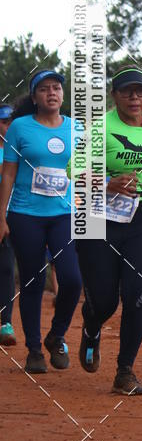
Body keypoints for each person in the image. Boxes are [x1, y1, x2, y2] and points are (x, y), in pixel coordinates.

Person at [75, 67, 142, 396]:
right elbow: (74, 171)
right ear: (115, 96)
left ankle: (125, 371)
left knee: (138, 294)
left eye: (141, 91)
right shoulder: (100, 128)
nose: (134, 97)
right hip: (99, 217)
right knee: (106, 301)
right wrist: (108, 183)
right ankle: (92, 327)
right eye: (127, 92)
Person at [0, 72, 82, 373]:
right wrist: (2, 215)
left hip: (64, 214)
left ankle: (56, 335)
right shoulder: (20, 127)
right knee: (33, 280)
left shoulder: (77, 129)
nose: (52, 93)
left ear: (63, 94)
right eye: (44, 89)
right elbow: (8, 172)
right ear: (34, 97)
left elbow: (86, 172)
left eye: (57, 88)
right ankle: (34, 349)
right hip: (25, 215)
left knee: (72, 280)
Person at [0, 104, 17, 346]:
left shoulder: (21, 150)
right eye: (4, 122)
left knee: (6, 267)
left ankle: (5, 323)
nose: (9, 126)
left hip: (12, 214)